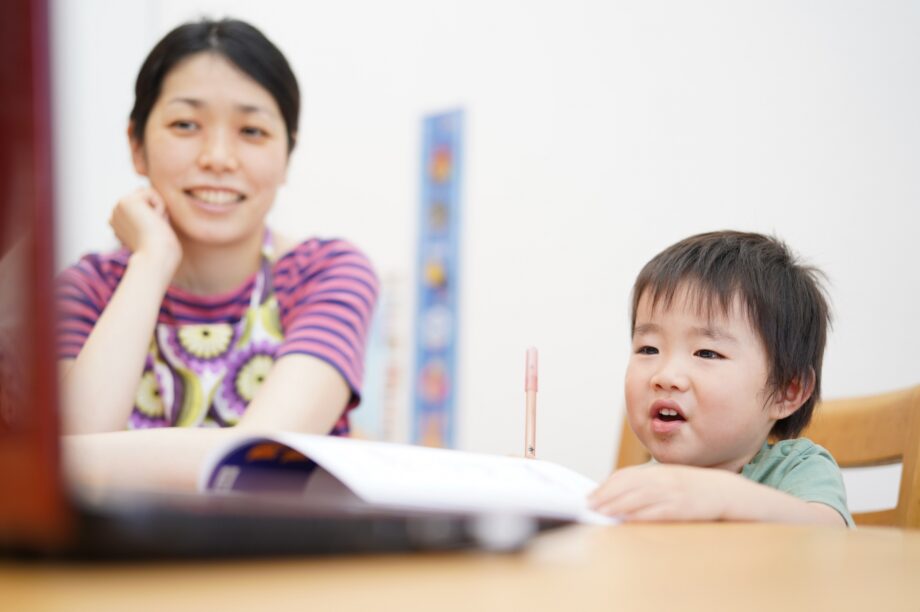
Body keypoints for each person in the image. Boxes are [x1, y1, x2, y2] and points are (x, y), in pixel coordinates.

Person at [56, 18, 377, 490]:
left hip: (294, 563)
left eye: (252, 131)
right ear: (136, 145)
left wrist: (93, 460)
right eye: (186, 124)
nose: (219, 158)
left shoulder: (328, 274)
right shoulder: (84, 290)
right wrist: (152, 260)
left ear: (287, 154)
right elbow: (61, 468)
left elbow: (261, 459)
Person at [589, 231, 852, 526]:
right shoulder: (640, 488)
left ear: (786, 392)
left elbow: (832, 538)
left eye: (706, 353)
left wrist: (723, 495)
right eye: (648, 348)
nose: (665, 376)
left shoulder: (797, 469)